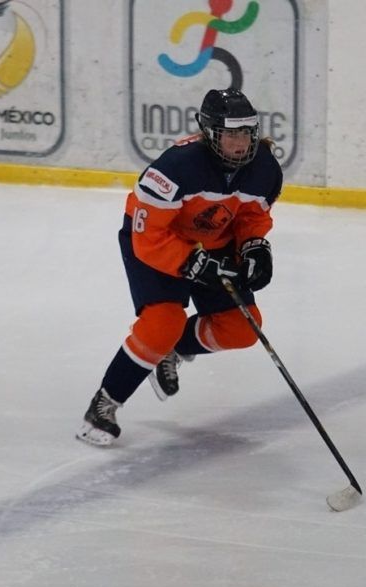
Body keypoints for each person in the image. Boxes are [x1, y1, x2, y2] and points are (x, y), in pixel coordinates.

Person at [77, 88, 284, 447]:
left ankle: (172, 350)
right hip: (156, 243)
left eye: (246, 132)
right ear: (210, 133)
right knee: (163, 323)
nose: (240, 143)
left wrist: (254, 246)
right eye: (230, 133)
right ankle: (104, 404)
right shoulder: (175, 168)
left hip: (214, 245)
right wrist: (190, 262)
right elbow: (148, 236)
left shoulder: (264, 168)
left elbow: (251, 216)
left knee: (242, 329)